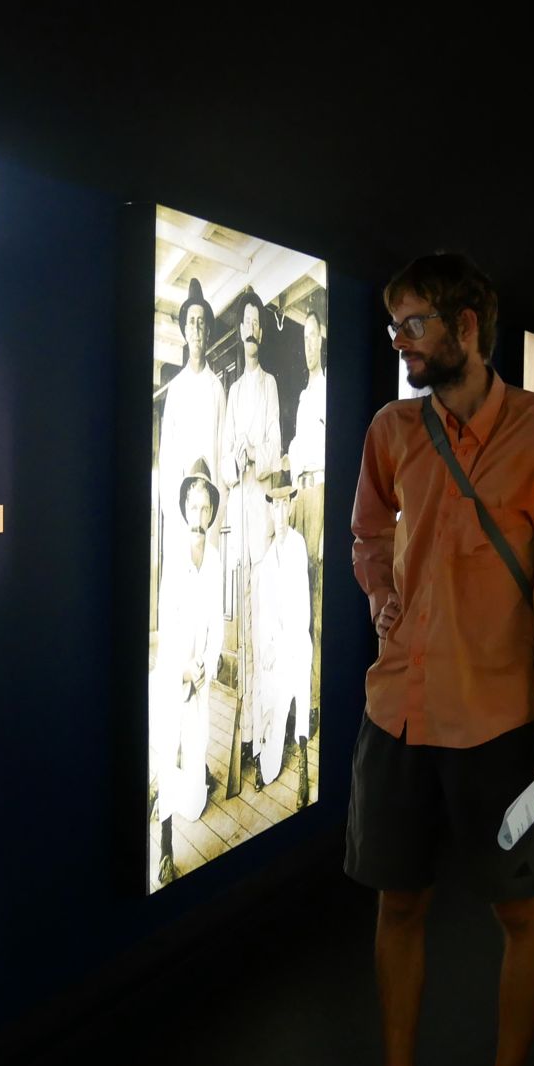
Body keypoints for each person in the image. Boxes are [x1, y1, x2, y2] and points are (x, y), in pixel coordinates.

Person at [325, 252, 534, 1066]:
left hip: (500, 723)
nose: (399, 341)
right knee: (398, 902)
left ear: (467, 327)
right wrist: (380, 595)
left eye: (415, 324)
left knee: (520, 910)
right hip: (399, 712)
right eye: (394, 325)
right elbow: (366, 531)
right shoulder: (392, 431)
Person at [149, 459, 224, 887]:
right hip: (174, 673)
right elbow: (169, 625)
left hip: (201, 678)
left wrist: (206, 665)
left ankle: (192, 780)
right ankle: (164, 846)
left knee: (194, 802)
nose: (199, 517)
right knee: (168, 746)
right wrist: (183, 669)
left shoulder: (214, 560)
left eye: (205, 508)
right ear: (184, 510)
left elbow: (215, 625)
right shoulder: (174, 559)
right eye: (192, 508)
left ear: (211, 512)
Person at [223, 291, 282, 785]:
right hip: (237, 524)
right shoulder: (234, 390)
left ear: (262, 331)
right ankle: (245, 738)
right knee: (243, 634)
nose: (250, 328)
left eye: (256, 320)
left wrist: (254, 455)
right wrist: (235, 457)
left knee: (263, 632)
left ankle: (265, 742)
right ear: (240, 331)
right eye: (244, 320)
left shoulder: (269, 385)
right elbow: (225, 464)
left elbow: (275, 449)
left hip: (260, 520)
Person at [250, 490, 313, 801]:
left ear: (290, 507)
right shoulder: (267, 560)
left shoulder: (298, 546)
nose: (280, 511)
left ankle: (303, 764)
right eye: (275, 505)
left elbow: (300, 606)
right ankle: (267, 762)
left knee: (300, 692)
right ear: (270, 511)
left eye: (285, 504)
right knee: (274, 703)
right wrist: (271, 646)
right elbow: (268, 611)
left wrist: (285, 644)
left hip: (297, 642)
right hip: (279, 645)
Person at [156, 278, 225, 555]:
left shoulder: (216, 389)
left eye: (201, 323)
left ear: (207, 331)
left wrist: (216, 516)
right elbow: (167, 459)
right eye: (191, 322)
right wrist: (176, 516)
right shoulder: (176, 389)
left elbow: (221, 455)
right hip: (181, 519)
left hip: (209, 517)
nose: (196, 329)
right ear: (185, 330)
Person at [287, 305, 328, 736]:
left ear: (323, 340)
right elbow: (296, 448)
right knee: (296, 603)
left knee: (316, 607)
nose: (309, 344)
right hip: (299, 496)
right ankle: (297, 702)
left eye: (314, 336)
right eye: (305, 338)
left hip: (320, 495)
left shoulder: (329, 389)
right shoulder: (301, 397)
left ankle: (315, 702)